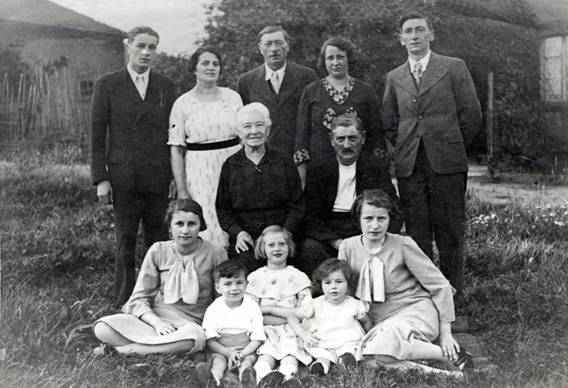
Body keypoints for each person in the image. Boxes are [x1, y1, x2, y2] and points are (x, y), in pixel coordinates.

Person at [381, 12, 482, 305]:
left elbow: (471, 114)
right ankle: (423, 296)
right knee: (417, 232)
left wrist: (449, 142)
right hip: (410, 164)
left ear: (431, 35)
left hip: (447, 162)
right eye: (408, 32)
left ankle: (453, 297)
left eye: (419, 30)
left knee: (449, 230)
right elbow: (389, 120)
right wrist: (404, 145)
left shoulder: (453, 67)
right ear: (400, 39)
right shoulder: (394, 77)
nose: (414, 36)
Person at [338, 190, 473, 375]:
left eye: (381, 218)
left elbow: (440, 285)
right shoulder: (348, 247)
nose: (375, 225)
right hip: (377, 320)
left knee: (383, 342)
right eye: (368, 218)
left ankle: (448, 353)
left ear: (389, 220)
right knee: (372, 359)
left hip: (414, 311)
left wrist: (446, 333)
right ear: (358, 219)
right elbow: (345, 290)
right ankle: (446, 374)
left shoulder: (402, 244)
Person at [90, 26, 176, 308]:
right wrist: (101, 178)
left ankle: (158, 299)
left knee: (158, 240)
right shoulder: (108, 83)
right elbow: (96, 133)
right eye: (140, 46)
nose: (146, 53)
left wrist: (175, 175)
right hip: (123, 176)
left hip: (157, 176)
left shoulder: (165, 86)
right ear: (128, 47)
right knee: (125, 241)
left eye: (152, 47)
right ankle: (124, 301)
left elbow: (173, 134)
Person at [92, 199, 227, 355]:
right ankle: (157, 347)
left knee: (193, 338)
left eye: (191, 224)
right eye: (179, 224)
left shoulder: (215, 253)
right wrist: (157, 323)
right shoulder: (158, 250)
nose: (185, 230)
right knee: (102, 327)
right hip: (154, 321)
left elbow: (221, 299)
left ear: (200, 225)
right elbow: (139, 298)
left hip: (189, 326)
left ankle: (120, 351)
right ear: (170, 226)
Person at [297, 112, 401, 277]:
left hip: (364, 227)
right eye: (340, 139)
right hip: (330, 229)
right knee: (310, 249)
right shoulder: (319, 168)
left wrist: (375, 237)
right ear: (331, 140)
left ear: (363, 138)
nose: (346, 145)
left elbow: (393, 208)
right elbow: (310, 215)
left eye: (352, 138)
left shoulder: (375, 167)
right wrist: (336, 242)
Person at [216, 102, 304, 273]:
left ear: (268, 130)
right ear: (239, 132)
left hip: (281, 233)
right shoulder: (231, 165)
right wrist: (238, 233)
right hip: (248, 235)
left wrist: (286, 232)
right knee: (245, 265)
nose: (254, 131)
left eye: (259, 125)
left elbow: (297, 204)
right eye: (247, 126)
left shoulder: (283, 161)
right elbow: (223, 209)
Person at [169, 47, 243, 249]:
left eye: (215, 64)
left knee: (235, 214)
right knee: (208, 219)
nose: (211, 67)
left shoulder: (233, 97)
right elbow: (176, 148)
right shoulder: (182, 103)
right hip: (200, 172)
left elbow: (244, 136)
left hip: (232, 165)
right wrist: (182, 189)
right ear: (194, 68)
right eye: (205, 63)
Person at [295, 36, 386, 188]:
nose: (335, 62)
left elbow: (377, 135)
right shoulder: (311, 91)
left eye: (340, 57)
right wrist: (302, 178)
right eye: (330, 58)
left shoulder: (366, 91)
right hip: (320, 170)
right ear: (324, 61)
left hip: (359, 168)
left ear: (349, 59)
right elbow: (301, 136)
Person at [237, 25, 318, 158]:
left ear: (287, 47)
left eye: (279, 43)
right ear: (260, 49)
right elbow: (242, 123)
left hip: (298, 154)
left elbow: (315, 118)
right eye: (268, 44)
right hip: (262, 155)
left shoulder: (307, 76)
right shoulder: (246, 81)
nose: (274, 49)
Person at [246, 226, 312, 387]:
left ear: (289, 247)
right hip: (265, 328)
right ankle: (262, 377)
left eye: (282, 244)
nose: (277, 248)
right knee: (266, 354)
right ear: (262, 248)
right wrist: (287, 315)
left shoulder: (298, 277)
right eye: (271, 245)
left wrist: (268, 309)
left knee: (290, 354)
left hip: (293, 329)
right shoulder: (255, 278)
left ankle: (287, 378)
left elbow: (304, 311)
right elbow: (251, 312)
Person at [287, 259, 370, 376]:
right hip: (323, 341)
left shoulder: (354, 304)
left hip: (346, 340)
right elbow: (292, 316)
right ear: (321, 285)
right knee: (323, 355)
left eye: (339, 281)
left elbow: (366, 321)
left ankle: (347, 361)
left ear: (348, 284)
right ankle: (321, 365)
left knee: (351, 348)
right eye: (328, 282)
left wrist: (368, 336)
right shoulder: (315, 304)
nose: (334, 287)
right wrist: (302, 333)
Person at [196, 261, 265, 387]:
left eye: (239, 282)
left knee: (247, 361)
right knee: (218, 362)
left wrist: (242, 354)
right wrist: (228, 353)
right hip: (221, 349)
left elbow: (258, 338)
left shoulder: (252, 307)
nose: (234, 288)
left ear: (246, 284)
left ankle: (246, 379)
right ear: (218, 288)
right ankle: (213, 380)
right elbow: (210, 340)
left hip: (246, 348)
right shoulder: (214, 308)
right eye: (228, 284)